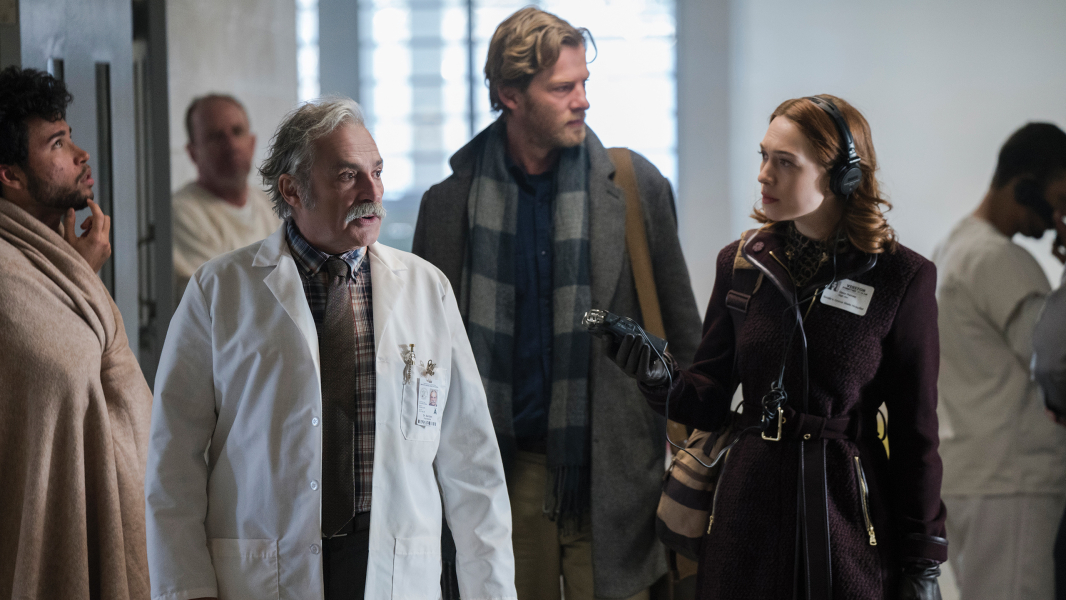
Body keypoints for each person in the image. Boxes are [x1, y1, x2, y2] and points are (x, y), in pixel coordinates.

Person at [145, 97, 516, 600]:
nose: (372, 191)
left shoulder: (427, 289)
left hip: (393, 566)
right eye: (347, 175)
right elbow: (173, 462)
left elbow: (472, 466)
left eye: (377, 172)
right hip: (266, 569)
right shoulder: (219, 291)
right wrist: (187, 591)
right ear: (292, 190)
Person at [412, 7, 702, 600]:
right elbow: (423, 360)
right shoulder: (449, 203)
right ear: (509, 95)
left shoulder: (633, 186)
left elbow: (685, 335)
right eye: (562, 88)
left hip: (618, 471)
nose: (582, 101)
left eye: (584, 83)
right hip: (501, 470)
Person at [613, 95, 948, 599]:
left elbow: (914, 434)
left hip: (846, 517)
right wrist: (661, 378)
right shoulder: (741, 264)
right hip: (746, 515)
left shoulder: (902, 277)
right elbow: (709, 398)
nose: (764, 175)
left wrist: (924, 561)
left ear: (842, 178)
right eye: (763, 156)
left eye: (785, 162)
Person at [0, 66, 153, 598]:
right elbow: (59, 375)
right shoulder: (8, 273)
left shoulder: (53, 259)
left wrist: (78, 273)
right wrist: (81, 275)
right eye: (58, 143)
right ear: (10, 176)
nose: (81, 154)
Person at [935, 123, 1066, 600]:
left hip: (972, 475)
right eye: (1059, 198)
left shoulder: (954, 245)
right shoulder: (999, 259)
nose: (1059, 215)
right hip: (1013, 482)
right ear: (1025, 184)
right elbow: (1057, 359)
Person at [172, 93, 280, 305]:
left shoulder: (272, 207)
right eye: (216, 137)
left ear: (252, 143)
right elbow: (222, 297)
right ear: (193, 152)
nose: (231, 144)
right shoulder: (183, 213)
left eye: (237, 132)